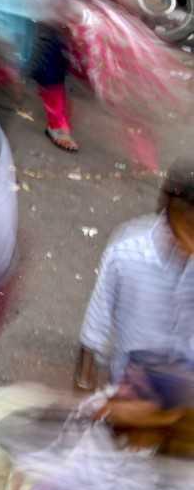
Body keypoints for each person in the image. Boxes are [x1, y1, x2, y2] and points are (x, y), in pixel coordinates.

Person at [75, 160, 194, 391]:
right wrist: (81, 394)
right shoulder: (126, 253)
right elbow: (92, 335)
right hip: (131, 389)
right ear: (169, 210)